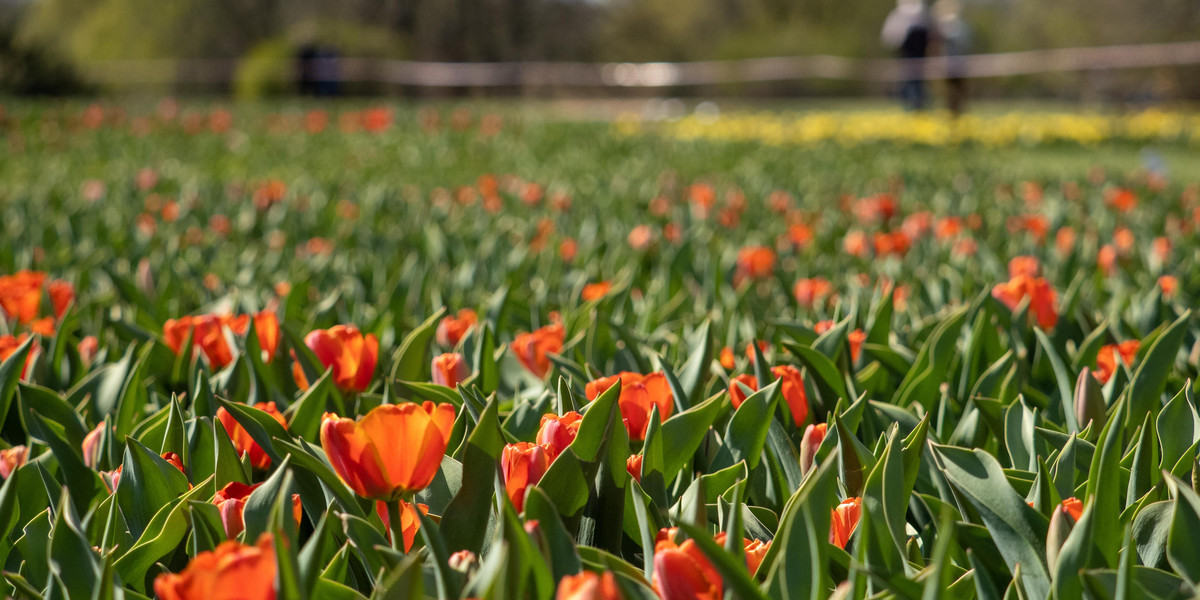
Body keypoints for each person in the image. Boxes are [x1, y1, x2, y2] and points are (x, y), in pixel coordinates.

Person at [881, 0, 934, 111]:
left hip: (915, 60)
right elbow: (889, 36)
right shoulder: (902, 15)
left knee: (914, 81)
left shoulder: (920, 15)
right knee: (911, 81)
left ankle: (916, 105)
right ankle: (913, 105)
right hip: (908, 58)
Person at [935, 0, 971, 115]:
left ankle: (956, 112)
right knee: (948, 92)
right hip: (947, 65)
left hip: (957, 65)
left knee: (957, 91)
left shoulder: (958, 26)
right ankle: (952, 112)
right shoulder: (942, 26)